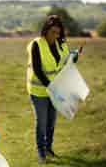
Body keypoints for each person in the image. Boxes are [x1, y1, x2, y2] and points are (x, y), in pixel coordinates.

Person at [26, 15, 79, 164]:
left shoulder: (61, 44)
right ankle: (41, 154)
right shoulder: (36, 45)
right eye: (52, 32)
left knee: (51, 122)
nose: (55, 36)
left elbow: (64, 63)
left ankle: (49, 149)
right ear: (45, 31)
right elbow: (37, 70)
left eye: (58, 32)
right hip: (39, 90)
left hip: (56, 89)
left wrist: (73, 58)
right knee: (41, 122)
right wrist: (52, 88)